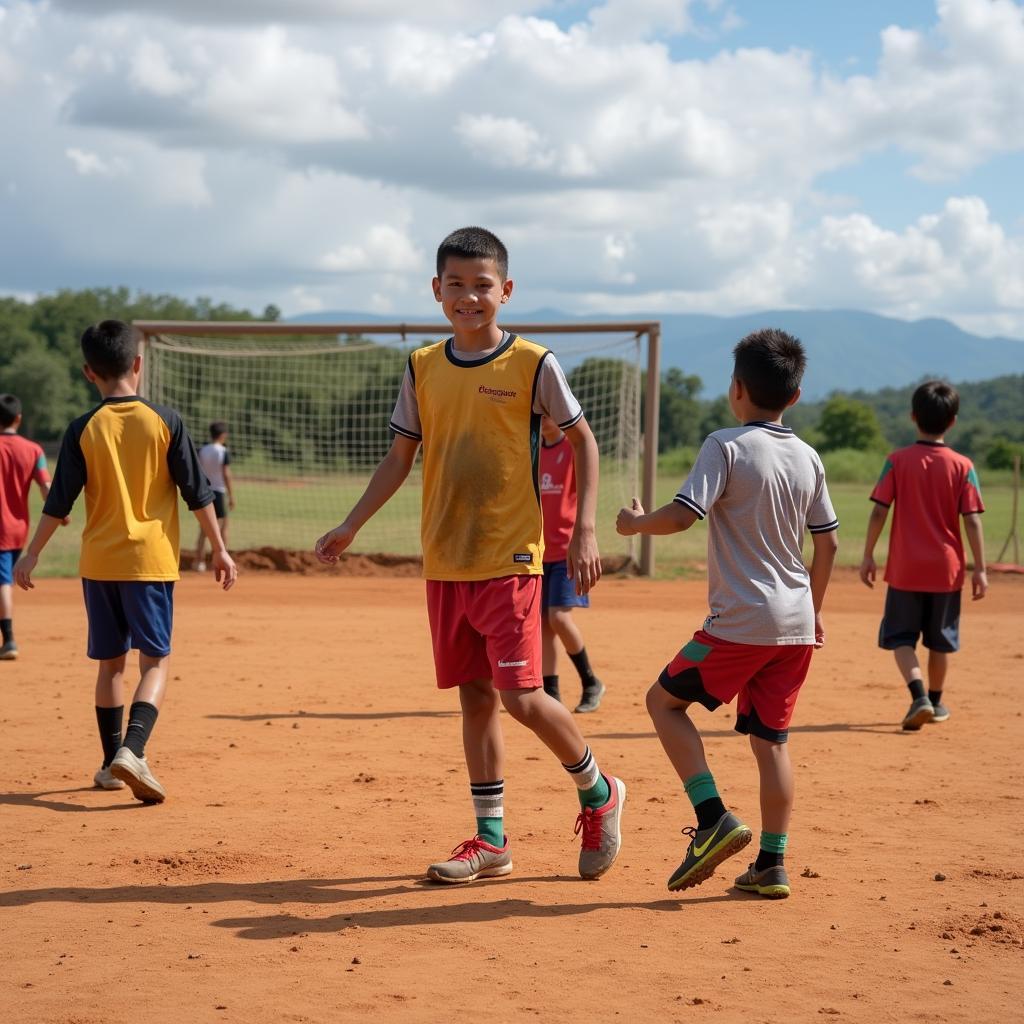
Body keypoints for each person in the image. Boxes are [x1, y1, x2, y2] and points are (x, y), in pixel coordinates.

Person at [315, 226, 625, 884]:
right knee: (475, 699)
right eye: (455, 285)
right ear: (436, 291)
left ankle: (600, 793)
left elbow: (584, 442)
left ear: (505, 291)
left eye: (482, 285)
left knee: (521, 697)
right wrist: (351, 524)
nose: (468, 297)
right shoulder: (422, 367)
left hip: (511, 557)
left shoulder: (533, 364)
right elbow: (399, 457)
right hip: (446, 561)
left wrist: (588, 528)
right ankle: (492, 842)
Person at [617, 328, 837, 900]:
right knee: (772, 743)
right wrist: (813, 612)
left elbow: (684, 515)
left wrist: (637, 523)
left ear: (736, 389)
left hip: (742, 622)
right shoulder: (808, 456)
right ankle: (771, 863)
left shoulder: (727, 445)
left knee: (662, 703)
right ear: (795, 394)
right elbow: (828, 543)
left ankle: (712, 817)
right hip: (795, 625)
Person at [14, 320, 237, 801]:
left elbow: (59, 501)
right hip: (150, 562)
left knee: (110, 666)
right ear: (138, 364)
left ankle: (109, 763)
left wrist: (32, 554)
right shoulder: (165, 420)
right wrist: (218, 547)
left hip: (98, 563)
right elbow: (197, 494)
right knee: (155, 662)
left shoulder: (82, 428)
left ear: (87, 373)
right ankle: (133, 750)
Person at [859, 380, 986, 730]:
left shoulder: (896, 461)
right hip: (947, 569)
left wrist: (868, 554)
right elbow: (973, 521)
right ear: (954, 421)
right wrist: (981, 569)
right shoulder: (963, 465)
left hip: (906, 568)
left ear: (913, 416)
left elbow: (879, 511)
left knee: (900, 637)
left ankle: (918, 696)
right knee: (940, 639)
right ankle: (937, 701)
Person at [539, 415, 604, 712]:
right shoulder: (533, 448)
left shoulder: (573, 447)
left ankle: (591, 681)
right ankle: (551, 692)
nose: (543, 419)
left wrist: (583, 536)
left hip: (567, 549)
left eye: (548, 412)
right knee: (544, 624)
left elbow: (586, 491)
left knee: (559, 618)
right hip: (537, 551)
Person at [0, 394, 62, 660]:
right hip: (18, 527)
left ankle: (9, 639)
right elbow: (46, 487)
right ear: (19, 418)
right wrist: (59, 513)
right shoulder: (34, 450)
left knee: (2, 583)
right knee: (4, 581)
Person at [195, 421, 235, 572]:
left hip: (204, 491)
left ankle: (199, 562)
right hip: (218, 491)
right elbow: (226, 474)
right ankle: (223, 558)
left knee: (204, 528)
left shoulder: (202, 450)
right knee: (223, 527)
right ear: (223, 435)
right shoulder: (223, 451)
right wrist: (231, 496)